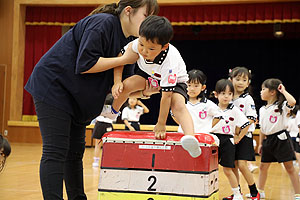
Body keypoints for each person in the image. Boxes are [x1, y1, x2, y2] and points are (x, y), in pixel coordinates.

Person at [24, 1, 159, 199]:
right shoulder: (103, 23)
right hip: (54, 87)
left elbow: (122, 89)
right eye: (146, 15)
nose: (148, 22)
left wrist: (147, 92)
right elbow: (85, 64)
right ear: (129, 11)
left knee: (75, 153)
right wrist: (123, 60)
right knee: (56, 151)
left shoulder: (130, 43)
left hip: (78, 100)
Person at [102, 15, 202, 158]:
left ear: (164, 47)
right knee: (125, 86)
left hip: (175, 80)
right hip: (149, 74)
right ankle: (112, 112)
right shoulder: (138, 43)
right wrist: (117, 81)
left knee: (177, 104)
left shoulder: (170, 63)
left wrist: (161, 124)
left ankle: (190, 138)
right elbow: (120, 58)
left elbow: (166, 96)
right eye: (142, 45)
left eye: (151, 48)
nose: (143, 51)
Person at [256, 78, 300, 200]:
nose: (261, 92)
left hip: (281, 139)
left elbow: (292, 101)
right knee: (263, 167)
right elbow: (262, 129)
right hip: (267, 141)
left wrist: (284, 91)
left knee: (289, 167)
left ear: (272, 92)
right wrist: (260, 144)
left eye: (263, 89)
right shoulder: (262, 109)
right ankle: (260, 191)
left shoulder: (282, 106)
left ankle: (298, 194)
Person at [223, 67, 260, 200]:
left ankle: (255, 192)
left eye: (244, 80)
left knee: (242, 165)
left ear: (248, 83)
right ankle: (237, 193)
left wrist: (239, 135)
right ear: (230, 80)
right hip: (231, 137)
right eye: (237, 79)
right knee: (232, 166)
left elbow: (250, 119)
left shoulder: (247, 99)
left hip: (244, 137)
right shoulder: (228, 98)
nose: (240, 82)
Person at [210, 79, 250, 200]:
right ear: (216, 94)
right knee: (210, 169)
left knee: (228, 169)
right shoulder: (212, 108)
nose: (226, 96)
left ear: (233, 95)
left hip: (227, 140)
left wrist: (238, 136)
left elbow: (246, 124)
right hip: (213, 140)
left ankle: (237, 194)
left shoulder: (234, 110)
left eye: (229, 94)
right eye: (223, 93)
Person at [172, 69, 221, 145]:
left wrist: (206, 126)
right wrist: (183, 124)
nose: (192, 89)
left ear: (203, 87)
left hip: (203, 138)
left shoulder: (208, 104)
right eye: (189, 85)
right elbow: (174, 114)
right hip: (184, 136)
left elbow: (218, 116)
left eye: (196, 86)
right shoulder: (181, 102)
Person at [91, 94, 114, 168]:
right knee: (108, 146)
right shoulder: (114, 108)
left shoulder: (99, 106)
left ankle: (96, 162)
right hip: (108, 125)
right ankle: (107, 162)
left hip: (99, 124)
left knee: (97, 145)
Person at [287, 105, 300, 172]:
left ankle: (294, 161)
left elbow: (288, 129)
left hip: (292, 136)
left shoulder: (291, 120)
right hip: (297, 136)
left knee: (294, 151)